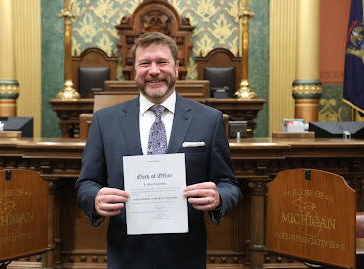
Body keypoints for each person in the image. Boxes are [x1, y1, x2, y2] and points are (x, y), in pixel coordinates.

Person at [75, 32, 241, 269]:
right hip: (126, 254)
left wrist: (219, 196)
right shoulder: (105, 121)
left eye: (162, 62)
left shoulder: (209, 120)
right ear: (134, 69)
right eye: (145, 63)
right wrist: (95, 199)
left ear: (176, 66)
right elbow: (86, 184)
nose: (154, 71)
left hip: (185, 255)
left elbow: (229, 184)